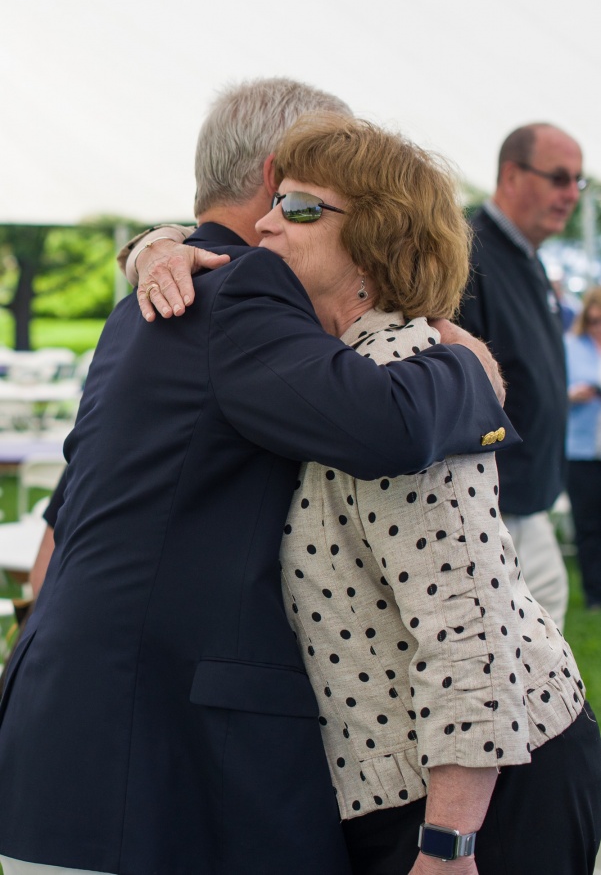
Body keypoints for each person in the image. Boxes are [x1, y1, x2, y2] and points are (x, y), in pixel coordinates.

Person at [0, 79, 514, 875]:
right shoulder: (245, 284)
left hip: (67, 729)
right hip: (167, 752)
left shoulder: (144, 300)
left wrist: (146, 244)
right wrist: (470, 370)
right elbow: (389, 425)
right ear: (277, 173)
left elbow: (73, 504)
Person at [266, 115, 600, 875]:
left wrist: (448, 846)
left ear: (376, 242)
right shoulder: (347, 364)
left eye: (298, 207)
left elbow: (466, 624)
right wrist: (152, 249)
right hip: (422, 789)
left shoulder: (401, 380)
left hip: (484, 799)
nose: (266, 222)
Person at [458, 123, 587, 631]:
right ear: (511, 175)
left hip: (528, 499)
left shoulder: (526, 256)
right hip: (495, 504)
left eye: (578, 182)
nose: (570, 195)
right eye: (558, 178)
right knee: (519, 649)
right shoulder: (468, 252)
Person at [565, 286, 601, 610]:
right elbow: (551, 392)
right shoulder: (570, 347)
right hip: (581, 447)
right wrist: (573, 395)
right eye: (593, 320)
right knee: (588, 523)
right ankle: (594, 595)